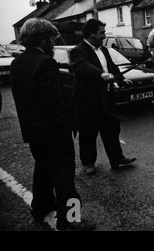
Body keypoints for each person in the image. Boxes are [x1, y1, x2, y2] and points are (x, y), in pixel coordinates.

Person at [10, 18, 95, 231]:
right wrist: (67, 126)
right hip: (55, 131)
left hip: (33, 130)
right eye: (51, 39)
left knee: (43, 169)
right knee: (65, 176)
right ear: (43, 39)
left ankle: (40, 207)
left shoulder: (17, 63)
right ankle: (71, 219)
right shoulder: (46, 62)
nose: (53, 44)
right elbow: (54, 102)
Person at [70, 19, 136, 175]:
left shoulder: (104, 50)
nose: (104, 36)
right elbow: (83, 67)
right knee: (88, 132)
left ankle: (117, 159)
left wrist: (121, 79)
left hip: (106, 98)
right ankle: (88, 163)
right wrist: (100, 73)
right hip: (87, 100)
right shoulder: (78, 51)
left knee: (111, 129)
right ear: (92, 33)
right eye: (102, 33)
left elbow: (112, 67)